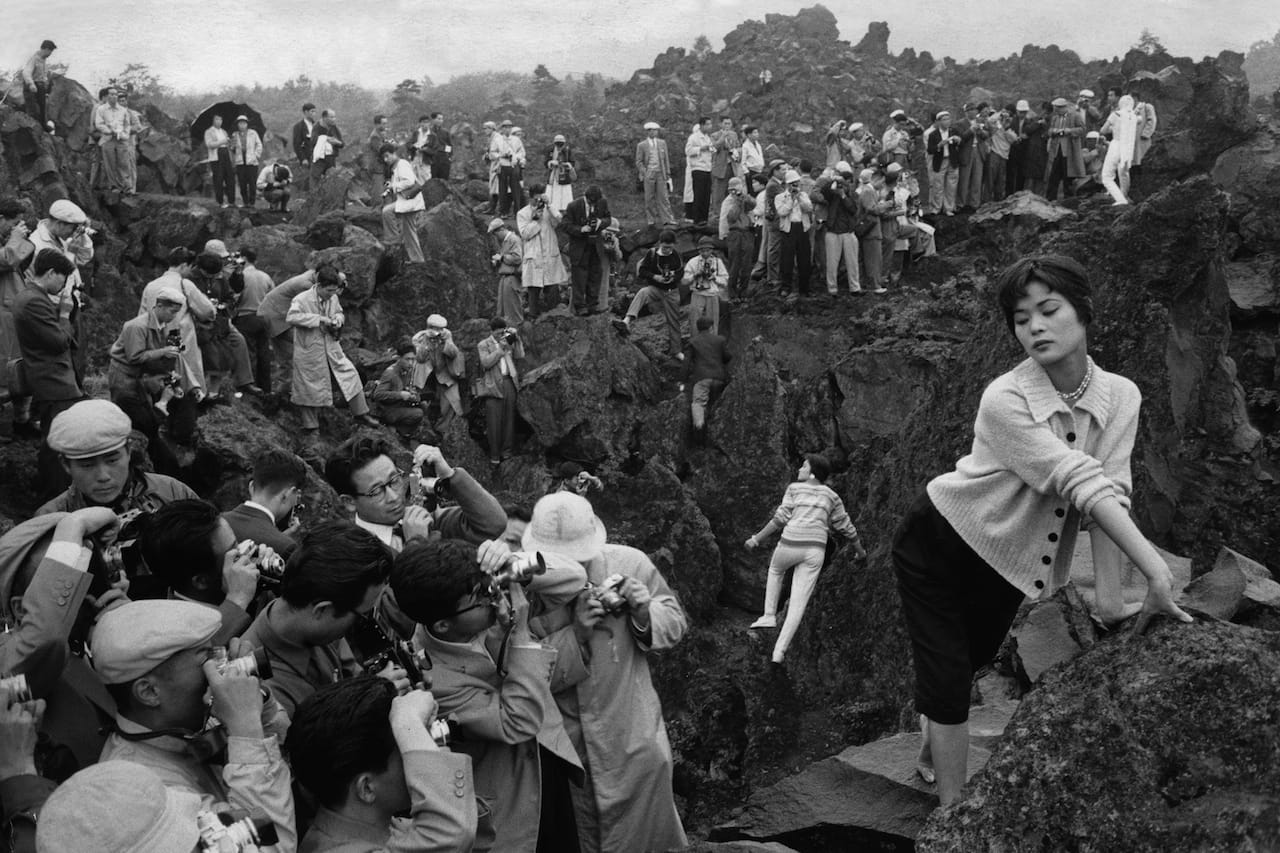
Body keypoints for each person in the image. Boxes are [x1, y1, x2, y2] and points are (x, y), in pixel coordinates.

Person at [892, 255, 1194, 807]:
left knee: (971, 658)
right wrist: (1155, 572)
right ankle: (952, 820)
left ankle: (931, 747)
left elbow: (1110, 492)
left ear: (1084, 312)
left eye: (1049, 310)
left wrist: (1110, 599)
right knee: (949, 675)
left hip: (1009, 563)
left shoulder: (1121, 395)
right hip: (939, 541)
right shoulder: (1005, 398)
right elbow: (1077, 480)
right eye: (1021, 317)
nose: (1034, 326)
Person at [391, 539, 586, 852]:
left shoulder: (481, 610)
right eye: (481, 597)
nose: (495, 600)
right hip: (510, 800)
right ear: (442, 624)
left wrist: (513, 563)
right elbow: (515, 722)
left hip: (546, 764)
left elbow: (574, 579)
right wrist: (521, 635)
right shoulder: (432, 681)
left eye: (490, 588)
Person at [523, 492, 688, 853]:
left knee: (649, 839)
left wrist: (644, 613)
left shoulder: (629, 562)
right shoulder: (525, 589)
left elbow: (675, 623)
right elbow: (522, 678)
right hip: (569, 750)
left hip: (634, 738)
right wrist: (574, 634)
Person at [93, 599, 297, 849]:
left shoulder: (188, 723)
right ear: (149, 692)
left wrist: (257, 704)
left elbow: (292, 753)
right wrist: (246, 730)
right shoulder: (142, 792)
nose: (218, 672)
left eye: (217, 656)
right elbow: (271, 844)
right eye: (205, 662)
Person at [286, 679, 482, 852]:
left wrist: (422, 735)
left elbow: (479, 837)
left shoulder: (374, 827)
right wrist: (408, 723)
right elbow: (452, 834)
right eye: (406, 748)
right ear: (367, 788)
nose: (418, 755)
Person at [238, 522, 406, 721]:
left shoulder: (320, 627)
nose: (362, 623)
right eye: (362, 616)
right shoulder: (260, 689)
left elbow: (352, 676)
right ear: (322, 609)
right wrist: (373, 702)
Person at [746, 453, 866, 662]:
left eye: (803, 466)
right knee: (798, 603)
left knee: (775, 570)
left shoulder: (794, 488)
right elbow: (845, 526)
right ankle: (779, 652)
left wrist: (756, 539)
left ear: (812, 473)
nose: (799, 469)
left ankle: (768, 616)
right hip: (815, 550)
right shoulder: (831, 496)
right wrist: (860, 551)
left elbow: (779, 519)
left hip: (790, 542)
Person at [325, 437, 506, 555]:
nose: (394, 497)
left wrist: (449, 475)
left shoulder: (424, 518)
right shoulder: (352, 552)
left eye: (394, 480)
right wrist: (417, 545)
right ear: (349, 502)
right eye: (376, 491)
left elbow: (492, 524)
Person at [135, 498, 269, 642]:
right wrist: (238, 600)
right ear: (201, 581)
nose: (244, 555)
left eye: (238, 543)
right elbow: (203, 653)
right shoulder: (172, 632)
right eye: (233, 552)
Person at [35, 398, 198, 515]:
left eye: (112, 460)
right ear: (65, 464)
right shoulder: (51, 519)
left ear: (128, 451)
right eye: (87, 465)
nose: (103, 476)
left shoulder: (173, 493)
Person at [14, 249, 84, 496]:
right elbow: (58, 342)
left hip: (52, 379)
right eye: (62, 278)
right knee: (57, 443)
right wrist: (65, 312)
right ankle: (54, 493)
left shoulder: (33, 296)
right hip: (53, 381)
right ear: (52, 272)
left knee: (54, 439)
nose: (64, 284)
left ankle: (49, 489)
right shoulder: (33, 300)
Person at [286, 266, 380, 434]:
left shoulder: (333, 298)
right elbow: (291, 317)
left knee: (350, 373)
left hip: (331, 346)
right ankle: (310, 426)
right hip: (310, 349)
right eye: (328, 290)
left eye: (334, 290)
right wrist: (319, 319)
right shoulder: (301, 299)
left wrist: (338, 319)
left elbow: (339, 312)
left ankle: (361, 413)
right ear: (319, 285)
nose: (331, 294)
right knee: (308, 387)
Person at [29, 199, 93, 383]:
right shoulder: (38, 244)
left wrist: (81, 236)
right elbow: (56, 274)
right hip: (55, 305)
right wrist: (70, 253)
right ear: (58, 223)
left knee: (78, 353)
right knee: (62, 354)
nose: (73, 233)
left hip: (71, 301)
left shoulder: (61, 237)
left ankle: (76, 389)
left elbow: (85, 257)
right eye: (72, 228)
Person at [139, 247, 211, 400]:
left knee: (161, 376)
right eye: (190, 267)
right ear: (184, 265)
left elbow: (142, 315)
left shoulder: (151, 285)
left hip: (156, 338)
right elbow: (207, 311)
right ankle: (193, 403)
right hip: (181, 337)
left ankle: (162, 403)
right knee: (188, 374)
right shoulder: (185, 284)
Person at [222, 446, 308, 558]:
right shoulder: (286, 547)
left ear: (251, 486)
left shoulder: (217, 521)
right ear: (287, 494)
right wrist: (281, 539)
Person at [110, 355, 183, 477]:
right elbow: (148, 425)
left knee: (171, 463)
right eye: (159, 380)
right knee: (167, 464)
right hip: (136, 440)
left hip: (149, 438)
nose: (161, 385)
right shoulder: (128, 396)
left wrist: (176, 386)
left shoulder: (147, 389)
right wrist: (163, 402)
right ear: (145, 377)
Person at [615, 229, 685, 358]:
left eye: (670, 247)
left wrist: (673, 278)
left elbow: (681, 272)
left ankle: (676, 350)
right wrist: (655, 277)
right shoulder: (652, 254)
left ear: (673, 245)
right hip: (656, 288)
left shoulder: (676, 255)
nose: (667, 250)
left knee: (674, 320)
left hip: (671, 291)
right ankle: (627, 320)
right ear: (660, 244)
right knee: (642, 292)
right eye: (664, 247)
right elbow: (642, 271)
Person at [107, 282, 183, 394]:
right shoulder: (137, 326)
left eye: (177, 313)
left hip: (143, 376)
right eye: (172, 312)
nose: (174, 316)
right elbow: (134, 357)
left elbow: (165, 357)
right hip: (124, 376)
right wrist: (163, 351)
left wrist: (173, 380)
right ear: (159, 306)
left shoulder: (165, 326)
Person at [0, 198, 35, 436]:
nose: (16, 226)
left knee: (21, 368)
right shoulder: (8, 242)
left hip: (14, 311)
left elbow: (23, 258)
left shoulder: (10, 240)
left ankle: (22, 421)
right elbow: (7, 260)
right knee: (3, 370)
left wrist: (20, 239)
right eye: (13, 222)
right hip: (3, 315)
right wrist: (15, 238)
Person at [517, 183, 569, 318]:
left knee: (552, 291)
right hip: (534, 258)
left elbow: (560, 221)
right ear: (530, 198)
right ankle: (533, 319)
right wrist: (535, 220)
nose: (538, 202)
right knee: (533, 293)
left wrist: (549, 205)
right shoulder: (522, 214)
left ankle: (555, 319)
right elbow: (525, 234)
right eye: (536, 199)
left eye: (540, 199)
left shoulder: (548, 211)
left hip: (550, 256)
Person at [477, 319, 524, 465]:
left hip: (509, 381)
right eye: (498, 332)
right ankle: (494, 455)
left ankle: (507, 452)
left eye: (503, 331)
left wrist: (517, 340)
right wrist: (500, 349)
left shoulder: (508, 340)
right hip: (492, 385)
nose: (501, 335)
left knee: (509, 418)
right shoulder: (484, 344)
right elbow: (486, 363)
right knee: (494, 421)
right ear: (492, 331)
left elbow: (520, 356)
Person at [410, 314, 467, 432]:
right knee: (421, 402)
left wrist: (445, 341)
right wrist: (427, 344)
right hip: (426, 377)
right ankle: (424, 428)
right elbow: (420, 359)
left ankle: (442, 430)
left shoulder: (446, 335)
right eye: (435, 329)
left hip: (444, 376)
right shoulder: (420, 338)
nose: (438, 332)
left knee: (449, 404)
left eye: (440, 329)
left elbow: (453, 354)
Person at [561, 185, 611, 316]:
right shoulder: (573, 206)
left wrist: (601, 222)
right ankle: (580, 306)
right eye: (590, 202)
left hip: (596, 246)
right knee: (579, 277)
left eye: (595, 203)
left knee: (595, 275)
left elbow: (608, 219)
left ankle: (592, 304)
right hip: (579, 246)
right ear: (586, 197)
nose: (593, 205)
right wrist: (580, 229)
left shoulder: (603, 202)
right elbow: (565, 225)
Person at [230, 247, 274, 391]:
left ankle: (251, 387)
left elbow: (235, 297)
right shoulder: (265, 276)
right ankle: (266, 388)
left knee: (249, 354)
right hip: (264, 317)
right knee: (264, 353)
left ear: (242, 258)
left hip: (245, 316)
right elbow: (272, 296)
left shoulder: (241, 276)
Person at [683, 316, 730, 439]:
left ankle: (699, 432)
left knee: (699, 403)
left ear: (698, 328)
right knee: (716, 404)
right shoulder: (720, 340)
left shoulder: (693, 342)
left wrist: (682, 381)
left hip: (702, 378)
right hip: (719, 379)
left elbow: (686, 364)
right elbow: (728, 356)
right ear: (710, 327)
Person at [379, 143, 426, 264]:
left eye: (387, 156)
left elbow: (409, 181)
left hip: (410, 201)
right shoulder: (396, 167)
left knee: (387, 211)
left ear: (394, 153)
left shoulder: (402, 164)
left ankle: (393, 241)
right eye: (384, 158)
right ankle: (417, 259)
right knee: (409, 231)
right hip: (408, 201)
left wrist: (394, 186)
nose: (386, 160)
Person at [821, 163, 864, 295]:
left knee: (852, 262)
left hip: (849, 232)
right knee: (832, 263)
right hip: (833, 231)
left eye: (849, 184)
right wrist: (834, 180)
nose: (847, 186)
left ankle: (855, 288)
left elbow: (853, 209)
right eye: (846, 183)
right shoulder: (832, 195)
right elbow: (824, 190)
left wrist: (843, 196)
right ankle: (832, 289)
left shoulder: (854, 196)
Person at [372, 339, 428, 440]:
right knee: (418, 413)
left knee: (423, 405)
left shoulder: (408, 370)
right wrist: (400, 395)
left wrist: (412, 394)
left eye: (413, 359)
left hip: (399, 404)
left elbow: (407, 386)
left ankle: (401, 431)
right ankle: (394, 430)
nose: (411, 363)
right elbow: (377, 395)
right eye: (407, 359)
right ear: (399, 358)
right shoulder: (390, 373)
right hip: (388, 409)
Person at [774, 170, 813, 297]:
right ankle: (786, 287)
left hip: (802, 228)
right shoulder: (780, 197)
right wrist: (791, 199)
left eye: (796, 183)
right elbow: (782, 212)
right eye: (792, 184)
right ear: (787, 185)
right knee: (787, 260)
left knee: (804, 260)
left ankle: (804, 288)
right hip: (788, 230)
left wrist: (799, 198)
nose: (795, 186)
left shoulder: (804, 195)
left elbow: (809, 208)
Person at [95, 86, 139, 197]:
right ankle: (115, 186)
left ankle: (128, 187)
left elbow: (128, 125)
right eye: (112, 95)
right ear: (108, 97)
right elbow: (99, 124)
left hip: (122, 140)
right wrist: (109, 131)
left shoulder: (124, 111)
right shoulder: (101, 109)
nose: (114, 97)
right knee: (110, 164)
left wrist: (123, 133)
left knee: (124, 164)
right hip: (108, 139)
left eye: (115, 95)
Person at [682, 236, 728, 334]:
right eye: (702, 251)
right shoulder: (693, 262)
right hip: (697, 294)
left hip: (712, 294)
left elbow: (725, 280)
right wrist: (695, 275)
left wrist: (714, 278)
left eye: (707, 250)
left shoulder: (718, 262)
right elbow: (684, 281)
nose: (705, 253)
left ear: (711, 250)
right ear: (699, 250)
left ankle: (712, 342)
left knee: (713, 321)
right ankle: (695, 342)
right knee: (694, 320)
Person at [1100, 95, 1140, 206]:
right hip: (1128, 148)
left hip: (1116, 145)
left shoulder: (1115, 114)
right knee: (1124, 173)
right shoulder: (1134, 117)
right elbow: (1138, 121)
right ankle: (1124, 196)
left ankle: (1120, 199)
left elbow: (1103, 130)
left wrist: (1112, 128)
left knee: (1107, 177)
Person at [718, 178, 755, 300]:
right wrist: (737, 202)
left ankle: (743, 292)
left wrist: (744, 197)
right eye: (733, 189)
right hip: (734, 234)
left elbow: (753, 204)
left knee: (747, 264)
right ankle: (732, 293)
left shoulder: (745, 198)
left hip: (747, 233)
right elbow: (731, 217)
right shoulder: (728, 202)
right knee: (735, 264)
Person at [1044, 97, 1085, 201]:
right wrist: (1054, 131)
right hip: (1056, 150)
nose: (1056, 110)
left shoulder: (1075, 116)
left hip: (1069, 151)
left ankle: (1069, 200)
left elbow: (1082, 129)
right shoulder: (1055, 118)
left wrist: (1069, 131)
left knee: (1068, 176)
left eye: (1058, 108)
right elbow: (1049, 131)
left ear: (1063, 107)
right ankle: (1050, 198)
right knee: (1053, 176)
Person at [636, 122, 675, 227]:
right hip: (649, 173)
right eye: (652, 130)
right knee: (649, 198)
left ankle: (667, 219)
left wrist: (667, 173)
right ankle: (651, 219)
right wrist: (645, 172)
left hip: (660, 173)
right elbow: (639, 161)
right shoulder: (642, 145)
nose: (654, 132)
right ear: (648, 131)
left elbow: (665, 158)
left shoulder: (662, 143)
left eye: (655, 130)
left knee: (663, 196)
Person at [856, 168, 888, 294]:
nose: (882, 185)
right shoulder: (868, 191)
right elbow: (872, 209)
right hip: (871, 231)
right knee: (873, 259)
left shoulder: (870, 191)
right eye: (882, 182)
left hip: (873, 231)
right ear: (875, 179)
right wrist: (886, 205)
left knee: (874, 258)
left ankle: (874, 283)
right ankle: (874, 285)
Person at [488, 218, 524, 325]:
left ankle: (515, 332)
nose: (496, 237)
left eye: (495, 234)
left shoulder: (513, 239)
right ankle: (505, 333)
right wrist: (498, 262)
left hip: (512, 277)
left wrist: (502, 258)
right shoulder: (504, 242)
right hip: (504, 277)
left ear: (501, 229)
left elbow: (517, 258)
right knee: (502, 309)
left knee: (512, 309)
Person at [924, 111, 960, 216]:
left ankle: (949, 208)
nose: (947, 122)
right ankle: (937, 208)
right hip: (940, 161)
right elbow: (930, 150)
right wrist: (939, 145)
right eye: (944, 120)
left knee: (951, 186)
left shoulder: (954, 131)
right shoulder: (933, 134)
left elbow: (960, 142)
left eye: (948, 119)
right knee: (938, 185)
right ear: (939, 121)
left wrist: (958, 140)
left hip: (952, 160)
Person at [954, 103, 987, 212]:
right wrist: (971, 130)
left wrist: (980, 131)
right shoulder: (960, 123)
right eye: (970, 110)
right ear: (966, 112)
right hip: (966, 152)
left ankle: (974, 204)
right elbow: (960, 139)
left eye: (974, 110)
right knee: (964, 180)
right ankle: (961, 203)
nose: (973, 112)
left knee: (977, 179)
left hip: (978, 151)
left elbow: (986, 136)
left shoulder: (981, 122)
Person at [20, 40, 56, 128]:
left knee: (42, 108)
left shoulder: (43, 59)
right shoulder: (34, 59)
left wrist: (46, 84)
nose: (50, 54)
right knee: (33, 110)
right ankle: (33, 130)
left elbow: (42, 74)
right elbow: (26, 73)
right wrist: (31, 84)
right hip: (31, 87)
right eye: (50, 52)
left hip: (40, 86)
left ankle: (43, 127)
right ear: (46, 49)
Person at [685, 117, 714, 225]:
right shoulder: (693, 137)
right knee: (699, 194)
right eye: (707, 124)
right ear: (701, 125)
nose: (709, 126)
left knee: (706, 195)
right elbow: (688, 151)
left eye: (710, 124)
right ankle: (697, 219)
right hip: (698, 168)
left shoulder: (708, 138)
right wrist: (701, 148)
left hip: (707, 168)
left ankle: (704, 218)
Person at [229, 115, 262, 207]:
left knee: (252, 183)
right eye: (240, 123)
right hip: (240, 163)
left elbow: (259, 145)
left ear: (247, 124)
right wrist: (232, 144)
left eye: (244, 123)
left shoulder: (253, 133)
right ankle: (245, 202)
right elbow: (232, 149)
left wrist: (256, 156)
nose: (242, 125)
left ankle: (252, 203)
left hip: (252, 162)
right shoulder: (235, 134)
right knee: (242, 183)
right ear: (238, 125)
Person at [202, 113, 234, 208]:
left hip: (226, 154)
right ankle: (220, 202)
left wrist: (230, 143)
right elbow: (209, 144)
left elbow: (227, 145)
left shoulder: (224, 132)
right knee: (218, 179)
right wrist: (222, 142)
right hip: (216, 156)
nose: (219, 121)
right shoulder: (209, 132)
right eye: (217, 119)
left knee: (230, 178)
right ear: (213, 120)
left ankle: (231, 201)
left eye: (220, 119)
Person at [491, 120, 519, 216]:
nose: (507, 129)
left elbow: (521, 152)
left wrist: (515, 157)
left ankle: (517, 212)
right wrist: (501, 155)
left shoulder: (516, 140)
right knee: (502, 190)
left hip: (513, 166)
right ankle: (503, 212)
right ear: (502, 128)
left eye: (509, 127)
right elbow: (492, 153)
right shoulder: (497, 140)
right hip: (502, 166)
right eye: (505, 127)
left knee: (515, 189)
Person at [312, 109, 345, 182]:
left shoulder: (334, 127)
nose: (334, 119)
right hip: (319, 161)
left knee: (331, 180)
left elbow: (342, 143)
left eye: (334, 117)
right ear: (324, 118)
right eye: (331, 117)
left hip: (331, 159)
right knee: (317, 181)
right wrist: (326, 138)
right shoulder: (317, 127)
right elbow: (313, 141)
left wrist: (337, 143)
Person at [545, 133, 575, 214]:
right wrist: (551, 163)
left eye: (561, 144)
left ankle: (565, 209)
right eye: (557, 143)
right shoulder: (550, 150)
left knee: (565, 192)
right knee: (553, 192)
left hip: (564, 175)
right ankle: (553, 208)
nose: (559, 146)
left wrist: (566, 165)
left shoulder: (568, 150)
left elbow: (572, 162)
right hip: (553, 176)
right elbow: (546, 162)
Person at [291, 102, 318, 183]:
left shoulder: (316, 125)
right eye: (312, 111)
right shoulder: (298, 126)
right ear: (306, 112)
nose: (314, 113)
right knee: (308, 179)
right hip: (307, 156)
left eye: (315, 111)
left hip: (318, 155)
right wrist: (303, 158)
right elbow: (296, 144)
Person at [425, 111, 453, 180]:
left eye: (442, 119)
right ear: (433, 120)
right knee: (433, 181)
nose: (441, 121)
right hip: (432, 161)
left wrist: (448, 157)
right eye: (439, 119)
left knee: (444, 181)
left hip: (444, 160)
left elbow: (449, 145)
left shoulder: (445, 132)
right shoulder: (428, 132)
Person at [739, 125, 765, 193]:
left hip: (760, 170)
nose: (757, 134)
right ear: (749, 135)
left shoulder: (758, 144)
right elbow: (743, 162)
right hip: (751, 172)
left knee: (761, 190)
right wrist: (746, 172)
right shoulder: (745, 146)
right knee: (753, 191)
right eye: (754, 133)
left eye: (757, 132)